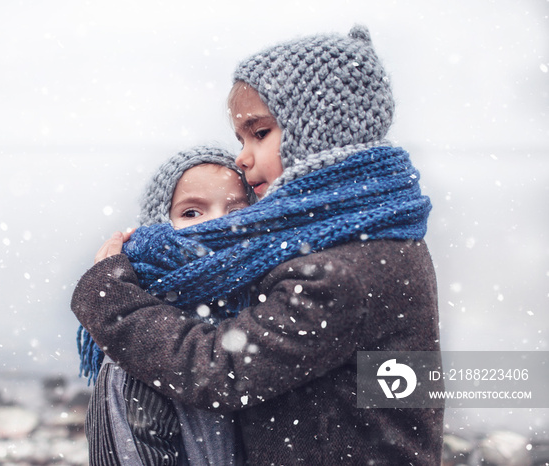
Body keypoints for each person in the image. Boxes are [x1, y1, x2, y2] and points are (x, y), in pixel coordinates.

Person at [73, 25, 443, 464]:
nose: (243, 157)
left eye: (260, 133)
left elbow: (220, 371)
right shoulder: (374, 236)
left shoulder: (340, 269)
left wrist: (110, 299)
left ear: (317, 131)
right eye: (240, 139)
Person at [79, 146, 255, 466]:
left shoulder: (268, 311)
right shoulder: (137, 346)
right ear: (161, 224)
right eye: (191, 212)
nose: (215, 223)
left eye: (236, 210)